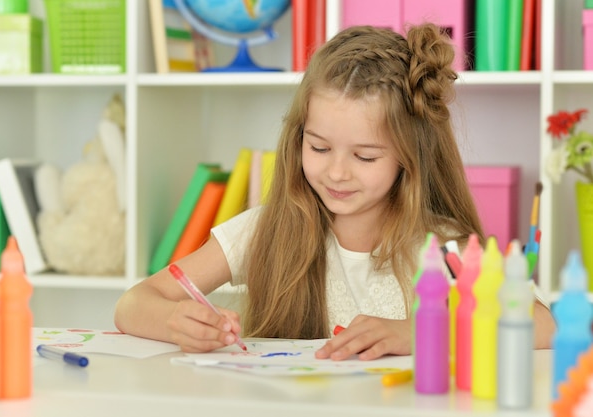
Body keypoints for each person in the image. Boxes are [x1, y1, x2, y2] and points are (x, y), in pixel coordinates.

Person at [114, 24, 555, 360]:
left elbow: (542, 325)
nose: (337, 173)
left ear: (409, 158)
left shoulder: (440, 245)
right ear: (298, 137)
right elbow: (134, 303)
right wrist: (177, 321)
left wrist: (420, 333)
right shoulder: (264, 230)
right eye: (319, 147)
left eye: (365, 157)